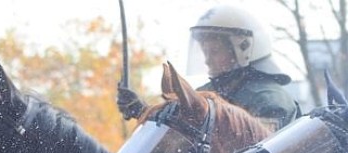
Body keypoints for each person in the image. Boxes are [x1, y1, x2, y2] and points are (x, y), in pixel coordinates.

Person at [117, 5, 299, 131]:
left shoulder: (271, 102)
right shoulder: (209, 93)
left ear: (243, 49)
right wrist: (143, 111)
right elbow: (178, 130)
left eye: (214, 52)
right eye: (205, 53)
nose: (207, 61)